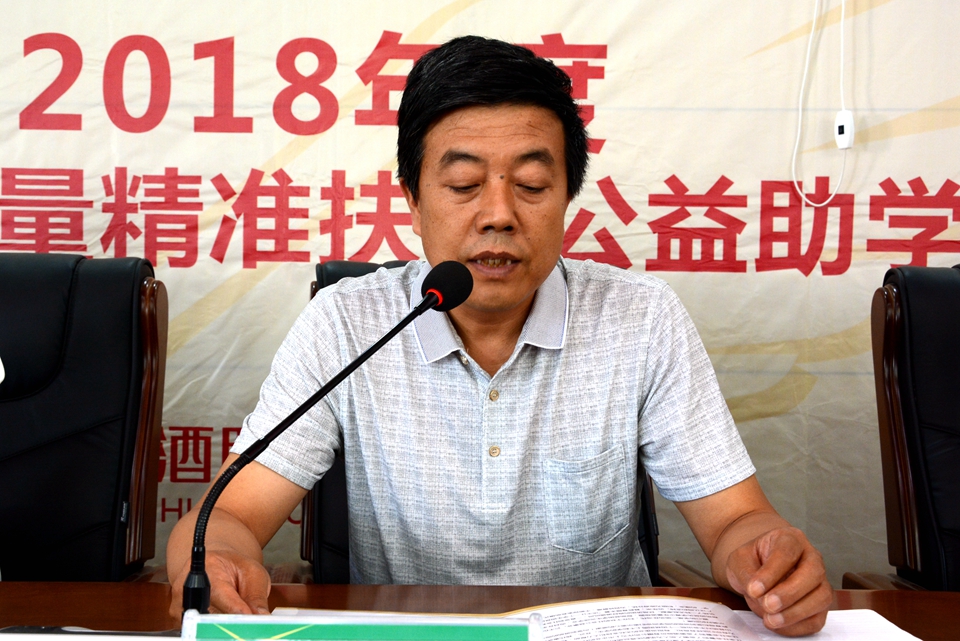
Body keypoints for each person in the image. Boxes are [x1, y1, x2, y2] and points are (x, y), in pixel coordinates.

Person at [167, 35, 831, 636]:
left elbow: (735, 520)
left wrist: (765, 558)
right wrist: (217, 560)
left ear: (567, 196)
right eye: (463, 184)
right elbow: (229, 516)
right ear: (412, 197)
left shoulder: (641, 318)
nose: (498, 215)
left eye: (532, 184)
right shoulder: (347, 323)